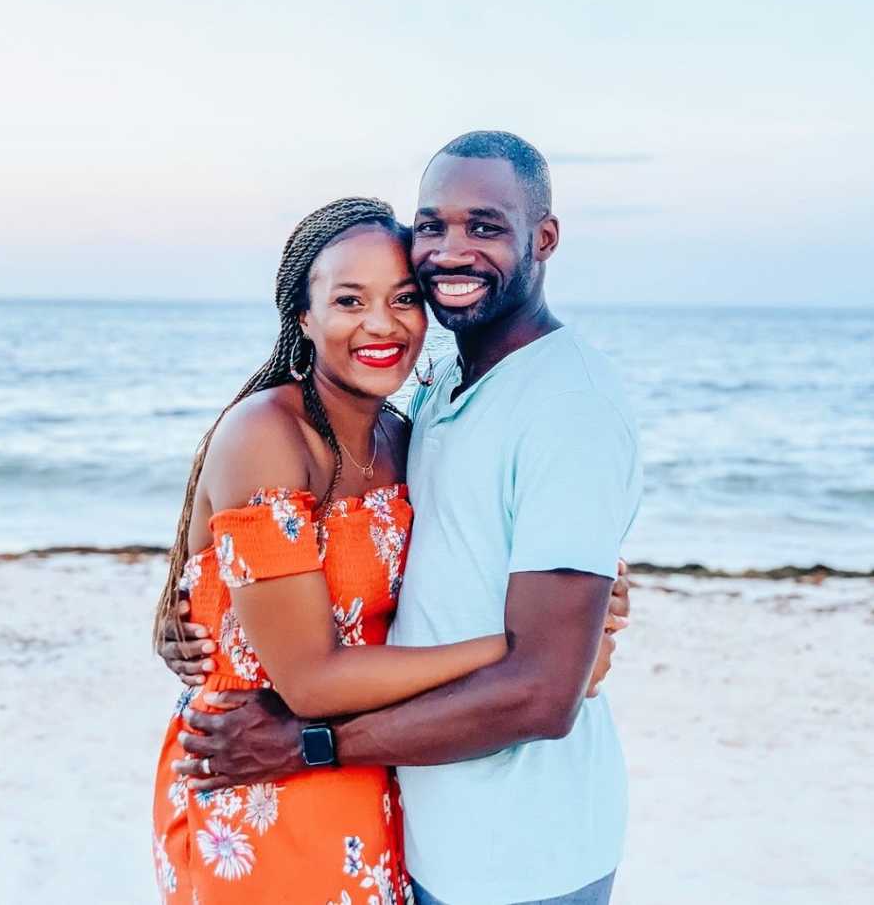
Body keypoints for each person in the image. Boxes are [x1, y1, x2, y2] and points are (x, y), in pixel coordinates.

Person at [163, 132, 640, 904]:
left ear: (543, 237)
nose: (451, 252)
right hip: (335, 791)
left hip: (517, 847)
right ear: (304, 314)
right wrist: (176, 619)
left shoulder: (558, 408)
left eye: (485, 226)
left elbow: (543, 692)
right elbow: (228, 557)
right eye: (434, 227)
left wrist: (566, 648)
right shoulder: (436, 394)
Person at [152, 197, 512, 903]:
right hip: (256, 776)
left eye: (404, 299)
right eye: (350, 299)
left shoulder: (405, 438)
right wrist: (523, 654)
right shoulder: (268, 436)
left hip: (371, 764)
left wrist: (591, 593)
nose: (382, 324)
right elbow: (309, 682)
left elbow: (483, 551)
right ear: (304, 317)